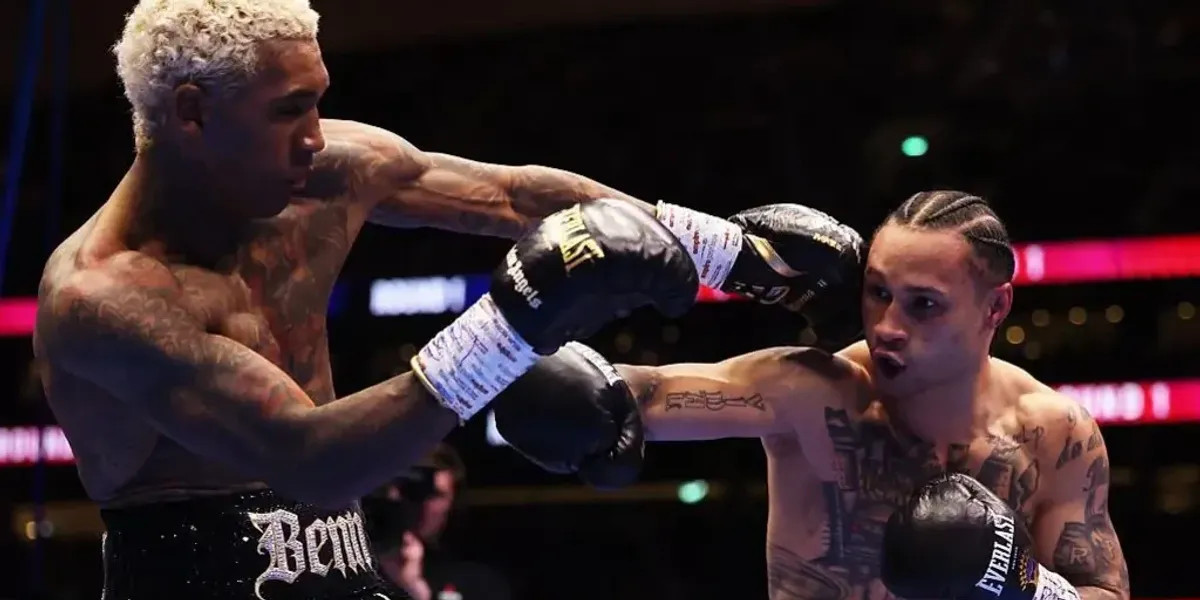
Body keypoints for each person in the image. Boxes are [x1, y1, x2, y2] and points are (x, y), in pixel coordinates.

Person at [32, 2, 857, 597]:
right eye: (288, 111)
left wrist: (734, 255)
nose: (316, 135)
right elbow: (309, 461)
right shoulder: (105, 298)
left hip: (351, 574)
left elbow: (512, 197)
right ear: (191, 115)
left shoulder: (318, 174)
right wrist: (511, 323)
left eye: (317, 100)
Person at [493, 191, 1131, 600]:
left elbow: (1103, 591)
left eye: (923, 305)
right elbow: (638, 395)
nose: (887, 326)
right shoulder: (813, 392)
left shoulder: (1054, 433)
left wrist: (1028, 586)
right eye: (878, 292)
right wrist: (564, 380)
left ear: (995, 308)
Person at [362, 444, 512, 600]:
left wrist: (413, 590)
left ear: (454, 502)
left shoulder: (479, 585)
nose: (422, 504)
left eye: (434, 495)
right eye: (411, 490)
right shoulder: (352, 567)